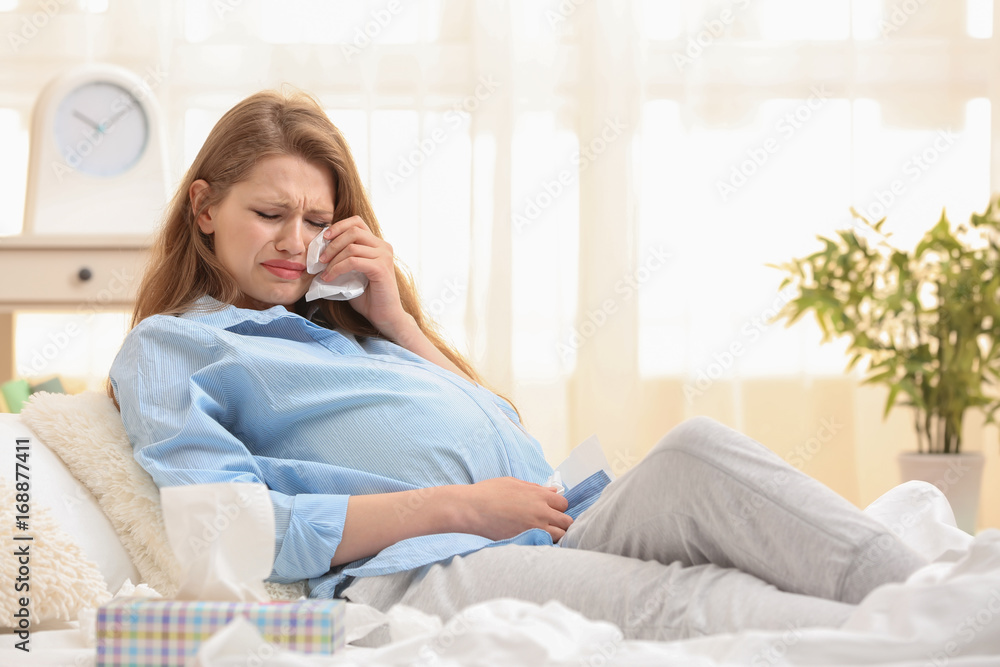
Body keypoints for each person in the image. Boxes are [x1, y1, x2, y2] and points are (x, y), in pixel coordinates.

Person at [108, 89, 928, 643]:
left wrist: (392, 318)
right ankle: (915, 634)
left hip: (547, 516)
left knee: (696, 451)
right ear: (206, 206)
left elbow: (502, 432)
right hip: (418, 569)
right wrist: (460, 508)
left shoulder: (345, 329)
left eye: (316, 219)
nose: (295, 241)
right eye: (270, 213)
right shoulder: (174, 348)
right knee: (678, 595)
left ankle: (933, 591)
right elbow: (237, 532)